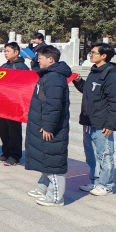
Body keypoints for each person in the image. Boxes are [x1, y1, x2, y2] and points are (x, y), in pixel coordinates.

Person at [73, 43, 116, 196]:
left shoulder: (111, 75)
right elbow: (88, 91)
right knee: (91, 155)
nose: (91, 55)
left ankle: (106, 185)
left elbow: (115, 102)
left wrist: (111, 124)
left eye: (94, 53)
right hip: (89, 121)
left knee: (104, 155)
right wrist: (78, 81)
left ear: (104, 56)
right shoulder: (94, 71)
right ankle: (95, 181)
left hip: (102, 123)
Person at [25, 45, 71, 206]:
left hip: (51, 128)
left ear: (50, 59)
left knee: (53, 162)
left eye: (40, 58)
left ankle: (56, 197)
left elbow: (54, 105)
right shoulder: (48, 75)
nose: (38, 60)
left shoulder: (54, 78)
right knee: (44, 158)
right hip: (42, 123)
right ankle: (43, 188)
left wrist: (49, 126)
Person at [0, 42, 30, 166]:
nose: (5, 53)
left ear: (16, 52)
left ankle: (15, 156)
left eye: (8, 51)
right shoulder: (4, 66)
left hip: (15, 104)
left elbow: (26, 86)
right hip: (3, 103)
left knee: (14, 131)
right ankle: (5, 153)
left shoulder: (21, 67)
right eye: (5, 51)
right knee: (3, 130)